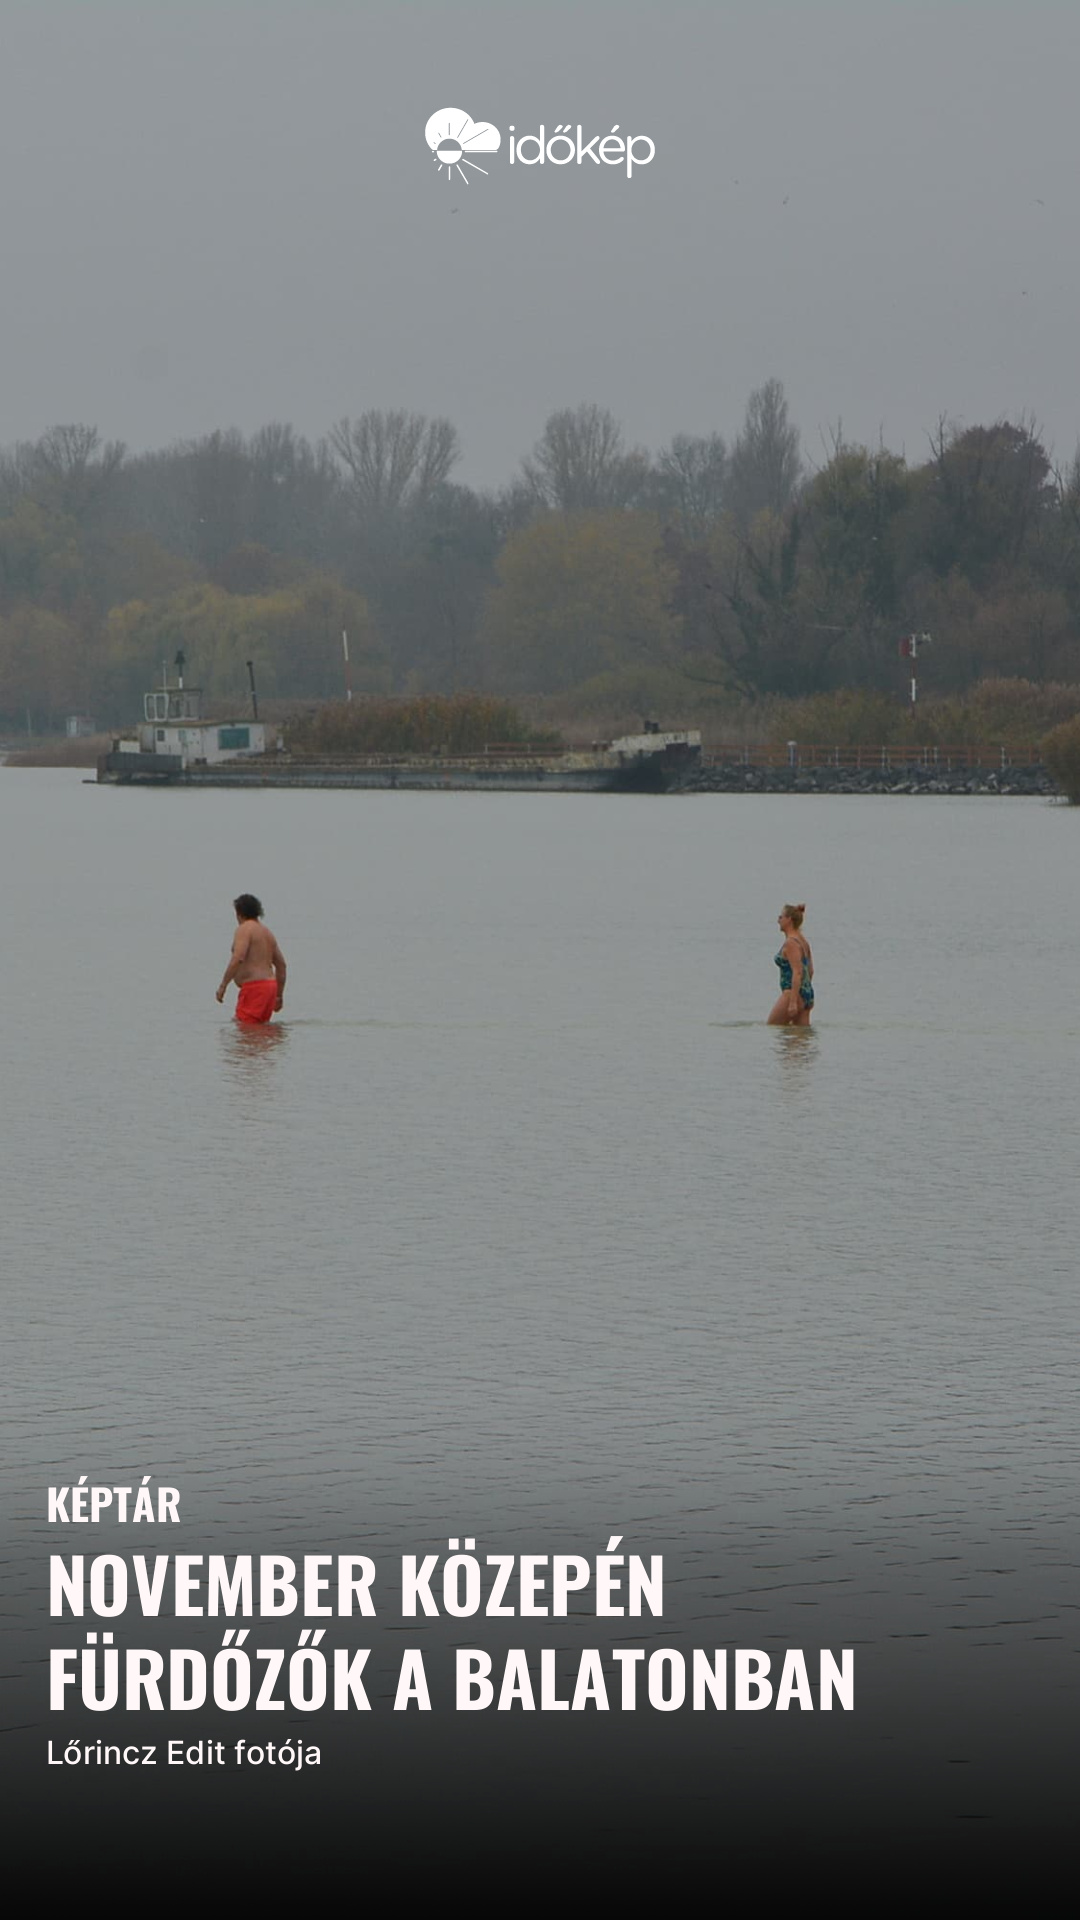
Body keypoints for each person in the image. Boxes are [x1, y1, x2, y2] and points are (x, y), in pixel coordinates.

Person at [216, 894, 286, 1023]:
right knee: (261, 1034)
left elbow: (238, 958)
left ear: (239, 913)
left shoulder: (244, 929)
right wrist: (278, 996)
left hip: (254, 989)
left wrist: (223, 986)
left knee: (245, 1030)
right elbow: (281, 965)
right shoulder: (266, 932)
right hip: (270, 987)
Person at [768, 903, 813, 1026]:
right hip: (806, 994)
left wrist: (793, 1001)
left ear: (789, 919)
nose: (778, 920)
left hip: (791, 994)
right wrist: (804, 995)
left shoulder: (791, 943)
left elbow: (797, 972)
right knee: (799, 1038)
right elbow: (810, 971)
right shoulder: (803, 941)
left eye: (781, 917)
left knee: (773, 1027)